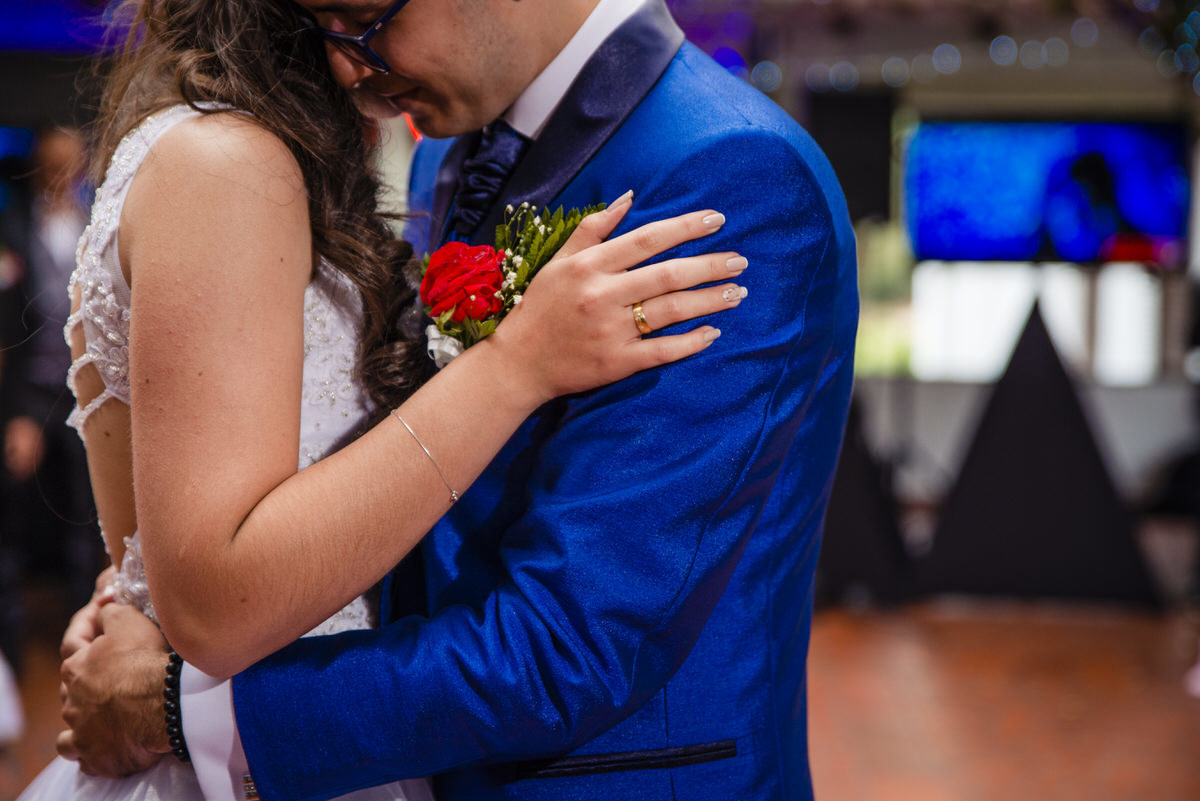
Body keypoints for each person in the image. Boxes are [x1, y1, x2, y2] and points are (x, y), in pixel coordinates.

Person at [60, 1, 858, 800]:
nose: (345, 62)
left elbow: (573, 644)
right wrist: (148, 584)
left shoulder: (727, 171)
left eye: (362, 16)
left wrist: (180, 710)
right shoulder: (456, 147)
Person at [0, 128, 102, 668]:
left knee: (92, 515)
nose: (61, 174)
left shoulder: (99, 220)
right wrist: (16, 414)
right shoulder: (14, 226)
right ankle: (14, 651)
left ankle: (85, 640)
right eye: (51, 164)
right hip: (32, 390)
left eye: (71, 163)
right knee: (17, 511)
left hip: (87, 392)